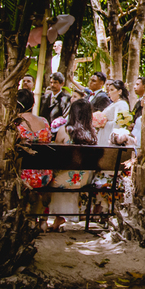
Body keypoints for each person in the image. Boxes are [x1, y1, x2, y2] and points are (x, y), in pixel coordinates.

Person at [49, 98, 97, 230]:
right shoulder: (92, 133)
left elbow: (55, 155)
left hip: (65, 179)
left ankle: (56, 218)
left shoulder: (64, 131)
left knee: (56, 176)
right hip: (85, 179)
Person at [14, 88, 53, 220]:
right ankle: (39, 218)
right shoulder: (44, 122)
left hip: (22, 175)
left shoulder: (15, 124)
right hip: (44, 174)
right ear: (33, 103)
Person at [97, 79, 131, 145]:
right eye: (109, 90)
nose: (109, 93)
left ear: (119, 91)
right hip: (103, 134)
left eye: (112, 90)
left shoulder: (122, 104)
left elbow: (118, 124)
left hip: (109, 137)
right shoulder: (113, 104)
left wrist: (104, 123)